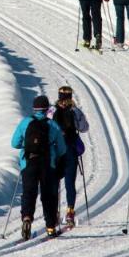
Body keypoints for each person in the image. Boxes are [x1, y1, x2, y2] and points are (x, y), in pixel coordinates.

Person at [10, 94, 68, 240]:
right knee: (49, 195)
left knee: (29, 192)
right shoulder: (52, 125)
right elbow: (62, 149)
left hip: (28, 163)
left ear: (34, 108)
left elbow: (14, 143)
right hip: (47, 164)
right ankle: (50, 227)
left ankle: (27, 217)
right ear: (47, 108)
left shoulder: (25, 123)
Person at [49, 84, 90, 229]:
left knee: (54, 183)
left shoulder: (51, 110)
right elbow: (84, 128)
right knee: (69, 183)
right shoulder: (74, 111)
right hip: (70, 150)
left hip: (55, 151)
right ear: (71, 97)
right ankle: (70, 212)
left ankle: (53, 214)